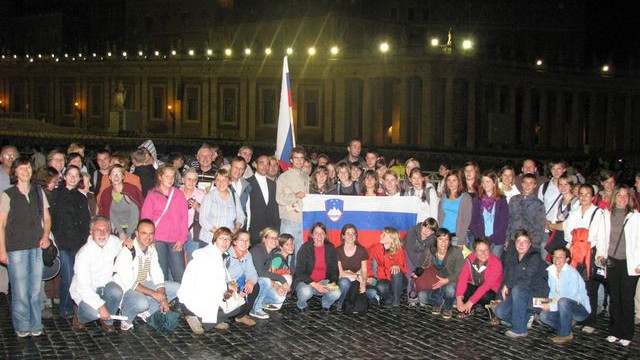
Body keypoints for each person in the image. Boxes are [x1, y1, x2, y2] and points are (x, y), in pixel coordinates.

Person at [0, 156, 51, 337]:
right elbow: (1, 224)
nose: (25, 171)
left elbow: (46, 217)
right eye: (21, 168)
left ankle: (36, 323)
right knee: (20, 290)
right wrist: (2, 250)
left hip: (36, 246)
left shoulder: (38, 192)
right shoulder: (7, 194)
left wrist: (45, 236)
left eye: (28, 168)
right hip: (16, 248)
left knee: (35, 289)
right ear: (15, 172)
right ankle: (22, 325)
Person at [111, 219, 179, 331]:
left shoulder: (151, 249)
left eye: (151, 233)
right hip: (127, 289)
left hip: (144, 284)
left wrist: (162, 296)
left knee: (177, 288)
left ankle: (146, 311)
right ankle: (126, 318)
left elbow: (157, 273)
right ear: (137, 234)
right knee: (141, 302)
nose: (148, 237)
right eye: (144, 233)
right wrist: (155, 294)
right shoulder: (127, 251)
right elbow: (130, 284)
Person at [595, 184, 640, 346]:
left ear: (629, 199)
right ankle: (614, 330)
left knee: (627, 298)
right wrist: (600, 255)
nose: (622, 199)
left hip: (630, 262)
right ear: (614, 197)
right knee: (614, 297)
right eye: (619, 195)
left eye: (625, 196)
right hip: (612, 261)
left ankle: (627, 333)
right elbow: (601, 238)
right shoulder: (606, 215)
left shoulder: (635, 217)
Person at [179, 227, 244, 333]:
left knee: (237, 301)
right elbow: (208, 284)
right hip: (192, 301)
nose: (225, 242)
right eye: (221, 238)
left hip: (204, 297)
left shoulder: (217, 254)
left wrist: (232, 286)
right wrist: (229, 289)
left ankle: (211, 319)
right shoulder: (208, 256)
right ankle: (197, 318)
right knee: (236, 306)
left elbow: (224, 278)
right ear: (215, 240)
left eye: (228, 239)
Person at [69, 217, 125, 333]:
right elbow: (83, 287)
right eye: (98, 230)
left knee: (117, 291)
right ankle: (80, 316)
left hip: (105, 286)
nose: (103, 233)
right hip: (87, 291)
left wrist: (128, 244)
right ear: (91, 232)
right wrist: (101, 306)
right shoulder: (83, 255)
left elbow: (122, 247)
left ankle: (107, 321)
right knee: (93, 312)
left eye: (106, 230)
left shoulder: (113, 242)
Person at [562, 184, 605, 334]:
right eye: (581, 194)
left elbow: (601, 236)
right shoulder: (574, 212)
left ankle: (590, 321)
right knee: (575, 287)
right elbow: (568, 233)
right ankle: (578, 316)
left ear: (593, 197)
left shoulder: (599, 213)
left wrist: (600, 254)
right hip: (574, 252)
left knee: (590, 288)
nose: (584, 197)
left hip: (590, 253)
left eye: (587, 194)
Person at [49, 165, 91, 318]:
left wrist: (85, 240)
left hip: (78, 242)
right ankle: (65, 307)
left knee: (78, 275)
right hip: (63, 241)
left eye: (76, 175)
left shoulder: (81, 197)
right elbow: (52, 218)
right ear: (64, 176)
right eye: (70, 174)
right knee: (67, 275)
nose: (73, 177)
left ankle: (76, 304)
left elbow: (85, 220)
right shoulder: (56, 194)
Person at [495, 230, 549, 338]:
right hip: (521, 297)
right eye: (518, 241)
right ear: (514, 244)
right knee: (500, 312)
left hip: (540, 299)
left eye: (525, 242)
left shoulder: (535, 257)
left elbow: (527, 280)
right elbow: (507, 278)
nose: (521, 244)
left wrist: (508, 285)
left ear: (530, 244)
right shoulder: (512, 257)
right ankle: (526, 317)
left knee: (518, 289)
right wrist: (499, 296)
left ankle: (519, 329)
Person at [141, 165, 188, 283]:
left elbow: (184, 218)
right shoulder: (152, 194)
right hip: (157, 239)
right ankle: (164, 299)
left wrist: (182, 239)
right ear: (160, 177)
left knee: (179, 273)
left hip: (175, 240)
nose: (170, 179)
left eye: (172, 177)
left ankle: (179, 300)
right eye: (167, 176)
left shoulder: (179, 194)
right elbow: (145, 219)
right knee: (161, 273)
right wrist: (148, 239)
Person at [538, 247, 591, 345]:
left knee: (563, 301)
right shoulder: (551, 271)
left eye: (560, 257)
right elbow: (553, 294)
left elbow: (570, 298)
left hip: (579, 308)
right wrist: (546, 304)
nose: (557, 259)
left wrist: (552, 306)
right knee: (543, 316)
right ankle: (567, 326)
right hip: (562, 306)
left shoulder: (572, 273)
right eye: (555, 256)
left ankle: (565, 334)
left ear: (567, 259)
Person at [416, 229, 464, 319]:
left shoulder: (456, 252)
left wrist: (447, 280)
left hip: (451, 279)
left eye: (446, 239)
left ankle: (448, 307)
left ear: (449, 241)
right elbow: (423, 265)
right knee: (421, 296)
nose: (443, 242)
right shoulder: (430, 251)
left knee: (450, 289)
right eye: (440, 239)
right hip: (436, 281)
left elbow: (460, 272)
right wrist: (417, 273)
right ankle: (439, 302)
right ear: (436, 240)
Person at [293, 222, 341, 313]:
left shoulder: (330, 248)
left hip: (324, 281)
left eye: (322, 233)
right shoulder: (305, 248)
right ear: (312, 235)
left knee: (336, 292)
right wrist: (315, 284)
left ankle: (326, 304)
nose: (319, 236)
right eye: (316, 233)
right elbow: (299, 272)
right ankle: (301, 304)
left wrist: (332, 283)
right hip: (307, 282)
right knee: (305, 292)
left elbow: (335, 271)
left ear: (325, 235)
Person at [455, 238, 504, 320]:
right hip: (476, 286)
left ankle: (491, 311)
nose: (484, 253)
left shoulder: (496, 263)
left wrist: (470, 302)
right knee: (465, 288)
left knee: (486, 296)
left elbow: (486, 286)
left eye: (486, 250)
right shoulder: (470, 259)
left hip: (492, 291)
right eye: (480, 250)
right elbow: (462, 279)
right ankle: (468, 310)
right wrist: (459, 299)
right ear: (475, 251)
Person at [276, 147, 309, 253]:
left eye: (301, 158)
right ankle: (281, 269)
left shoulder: (306, 177)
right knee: (286, 253)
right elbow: (279, 198)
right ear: (291, 160)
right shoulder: (283, 177)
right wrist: (295, 195)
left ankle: (298, 271)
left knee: (301, 253)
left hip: (304, 221)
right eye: (296, 158)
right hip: (290, 220)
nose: (299, 161)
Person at [250, 228, 289, 318]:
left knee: (279, 298)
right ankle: (255, 309)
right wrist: (280, 280)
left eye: (276, 238)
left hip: (259, 282)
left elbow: (266, 273)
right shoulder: (258, 250)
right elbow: (259, 273)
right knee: (266, 281)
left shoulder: (270, 253)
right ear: (264, 239)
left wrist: (276, 285)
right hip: (249, 283)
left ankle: (260, 302)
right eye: (271, 238)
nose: (275, 241)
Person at [199, 169, 245, 244]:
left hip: (227, 241)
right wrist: (219, 233)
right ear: (215, 182)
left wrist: (236, 230)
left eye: (224, 180)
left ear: (229, 181)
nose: (221, 183)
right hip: (209, 240)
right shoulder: (209, 196)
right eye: (218, 180)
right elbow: (203, 219)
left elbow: (241, 216)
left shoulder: (234, 196)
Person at [470, 171, 509, 258]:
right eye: (483, 181)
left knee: (494, 265)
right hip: (481, 239)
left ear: (494, 183)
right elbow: (473, 221)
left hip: (497, 240)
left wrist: (490, 239)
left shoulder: (501, 200)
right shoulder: (477, 199)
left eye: (488, 181)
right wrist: (480, 238)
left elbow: (504, 222)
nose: (485, 184)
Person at [505, 174, 546, 256]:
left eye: (531, 183)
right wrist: (506, 239)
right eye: (525, 182)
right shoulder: (514, 200)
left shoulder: (538, 204)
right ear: (522, 184)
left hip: (528, 242)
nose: (527, 185)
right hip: (513, 239)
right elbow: (509, 221)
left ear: (535, 185)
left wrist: (534, 246)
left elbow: (539, 227)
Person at [367, 227, 408, 307]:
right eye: (382, 233)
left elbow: (404, 269)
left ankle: (396, 301)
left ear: (391, 239)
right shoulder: (376, 248)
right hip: (384, 280)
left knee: (396, 272)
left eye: (384, 235)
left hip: (399, 280)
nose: (380, 236)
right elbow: (367, 261)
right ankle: (389, 297)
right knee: (380, 285)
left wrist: (397, 266)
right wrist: (371, 275)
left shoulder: (399, 250)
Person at [224, 231, 259, 325]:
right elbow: (223, 276)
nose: (244, 243)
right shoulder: (227, 254)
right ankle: (226, 314)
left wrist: (250, 281)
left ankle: (241, 315)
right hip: (228, 283)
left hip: (240, 281)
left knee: (255, 286)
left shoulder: (247, 254)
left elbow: (252, 272)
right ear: (234, 241)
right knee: (238, 290)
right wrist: (236, 288)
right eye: (241, 240)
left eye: (247, 240)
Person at [246, 155, 279, 246]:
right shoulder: (247, 183)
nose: (265, 166)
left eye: (267, 164)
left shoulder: (273, 185)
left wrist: (277, 230)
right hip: (253, 231)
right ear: (255, 165)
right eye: (261, 163)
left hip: (269, 232)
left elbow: (275, 209)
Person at [404, 218, 438, 304]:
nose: (426, 231)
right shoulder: (412, 231)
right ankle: (411, 294)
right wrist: (417, 267)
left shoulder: (432, 239)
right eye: (425, 227)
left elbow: (428, 253)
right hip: (407, 252)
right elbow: (410, 250)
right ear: (422, 225)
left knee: (423, 270)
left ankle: (420, 291)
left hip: (420, 255)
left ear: (433, 232)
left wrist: (421, 267)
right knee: (411, 272)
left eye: (430, 230)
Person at [0, 145, 18, 300]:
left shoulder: (21, 175)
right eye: (7, 155)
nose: (10, 158)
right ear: (1, 158)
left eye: (13, 155)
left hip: (16, 223)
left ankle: (9, 289)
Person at [544, 175, 578, 259]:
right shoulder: (559, 201)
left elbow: (568, 225)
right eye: (560, 184)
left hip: (569, 238)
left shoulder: (576, 202)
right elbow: (554, 220)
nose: (563, 187)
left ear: (570, 186)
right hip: (557, 236)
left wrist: (551, 225)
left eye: (565, 184)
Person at [335, 224, 368, 308]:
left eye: (353, 233)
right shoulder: (337, 251)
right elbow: (341, 273)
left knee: (370, 293)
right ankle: (340, 303)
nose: (351, 236)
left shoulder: (362, 250)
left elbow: (364, 270)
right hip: (342, 279)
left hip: (356, 279)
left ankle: (349, 302)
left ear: (356, 236)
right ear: (343, 236)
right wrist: (356, 275)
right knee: (344, 282)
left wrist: (363, 283)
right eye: (348, 233)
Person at [438, 172, 473, 247]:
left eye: (454, 180)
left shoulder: (465, 197)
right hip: (443, 234)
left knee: (454, 257)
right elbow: (440, 216)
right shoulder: (444, 196)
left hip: (456, 235)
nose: (451, 183)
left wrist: (460, 239)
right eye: (449, 180)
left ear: (459, 182)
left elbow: (466, 220)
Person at [180, 169, 204, 262]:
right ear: (183, 180)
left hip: (195, 232)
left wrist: (198, 207)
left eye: (194, 180)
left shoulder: (202, 194)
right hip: (178, 232)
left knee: (193, 262)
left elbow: (208, 214)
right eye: (189, 179)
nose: (192, 182)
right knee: (177, 264)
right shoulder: (176, 193)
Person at [228, 156, 252, 224]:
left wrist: (248, 226)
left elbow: (248, 209)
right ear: (230, 167)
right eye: (236, 167)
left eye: (241, 168)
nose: (238, 171)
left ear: (244, 171)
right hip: (225, 225)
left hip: (241, 225)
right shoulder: (222, 183)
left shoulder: (247, 186)